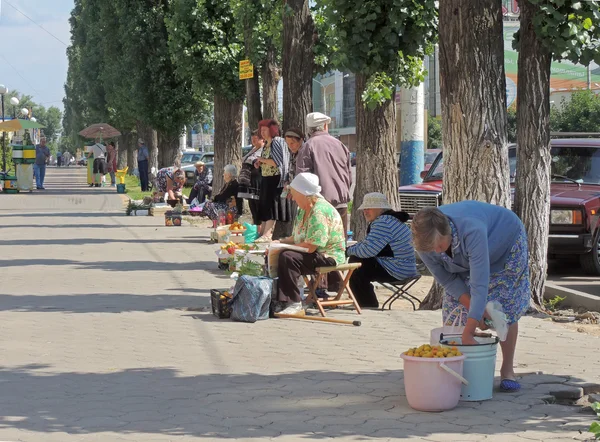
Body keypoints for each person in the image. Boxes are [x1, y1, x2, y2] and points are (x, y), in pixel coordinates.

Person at [411, 201, 530, 392]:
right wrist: (474, 312)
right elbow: (448, 281)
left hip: (504, 244)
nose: (437, 253)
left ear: (447, 232)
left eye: (440, 246)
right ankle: (459, 371)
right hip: (463, 259)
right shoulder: (425, 243)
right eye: (431, 249)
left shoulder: (472, 229)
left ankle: (508, 369)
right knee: (455, 309)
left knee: (502, 309)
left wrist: (470, 328)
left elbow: (479, 284)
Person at [274, 173, 346, 315]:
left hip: (328, 255)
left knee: (288, 257)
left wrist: (283, 248)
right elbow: (296, 238)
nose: (293, 198)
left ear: (304, 194)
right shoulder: (304, 210)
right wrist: (278, 242)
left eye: (295, 194)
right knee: (276, 253)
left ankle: (293, 302)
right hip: (314, 253)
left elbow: (312, 246)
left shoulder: (319, 210)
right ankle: (278, 299)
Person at [346, 193, 418, 308]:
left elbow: (368, 250)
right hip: (406, 268)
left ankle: (366, 303)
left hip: (398, 270)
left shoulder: (383, 223)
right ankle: (364, 301)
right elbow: (369, 246)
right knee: (359, 259)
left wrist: (348, 250)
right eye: (364, 208)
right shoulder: (391, 220)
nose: (365, 211)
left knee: (356, 261)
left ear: (379, 208)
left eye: (368, 208)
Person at [296, 112, 352, 235]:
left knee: (320, 246)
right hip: (341, 202)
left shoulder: (308, 146)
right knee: (338, 245)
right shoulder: (340, 145)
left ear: (309, 129)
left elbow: (302, 178)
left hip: (319, 205)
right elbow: (349, 176)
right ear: (325, 126)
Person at [254, 119, 291, 242]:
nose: (262, 132)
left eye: (265, 130)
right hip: (266, 178)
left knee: (271, 207)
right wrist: (259, 163)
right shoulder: (266, 144)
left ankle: (268, 234)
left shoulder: (277, 142)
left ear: (272, 130)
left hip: (275, 179)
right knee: (264, 205)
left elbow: (277, 162)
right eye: (261, 130)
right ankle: (263, 232)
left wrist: (262, 159)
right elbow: (267, 160)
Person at [239, 130, 264, 225]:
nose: (253, 141)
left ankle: (259, 227)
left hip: (257, 180)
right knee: (252, 204)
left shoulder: (263, 149)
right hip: (249, 180)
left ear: (262, 139)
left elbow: (256, 161)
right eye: (252, 139)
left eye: (256, 139)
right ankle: (255, 226)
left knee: (257, 204)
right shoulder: (253, 149)